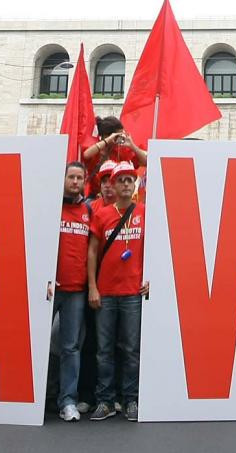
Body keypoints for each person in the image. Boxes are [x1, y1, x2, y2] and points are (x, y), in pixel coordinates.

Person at [87, 161, 146, 422]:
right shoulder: (102, 215)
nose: (124, 184)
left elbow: (155, 249)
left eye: (129, 180)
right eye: (120, 179)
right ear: (112, 183)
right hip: (106, 292)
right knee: (104, 350)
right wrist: (92, 286)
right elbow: (91, 252)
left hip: (133, 292)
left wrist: (151, 279)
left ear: (134, 185)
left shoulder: (146, 213)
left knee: (132, 349)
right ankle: (105, 401)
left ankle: (130, 399)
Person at [54, 161, 91, 422]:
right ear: (64, 179)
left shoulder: (89, 210)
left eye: (79, 177)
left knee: (70, 347)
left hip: (76, 290)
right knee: (35, 344)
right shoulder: (51, 206)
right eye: (71, 177)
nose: (75, 182)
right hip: (49, 288)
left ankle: (67, 400)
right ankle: (31, 396)